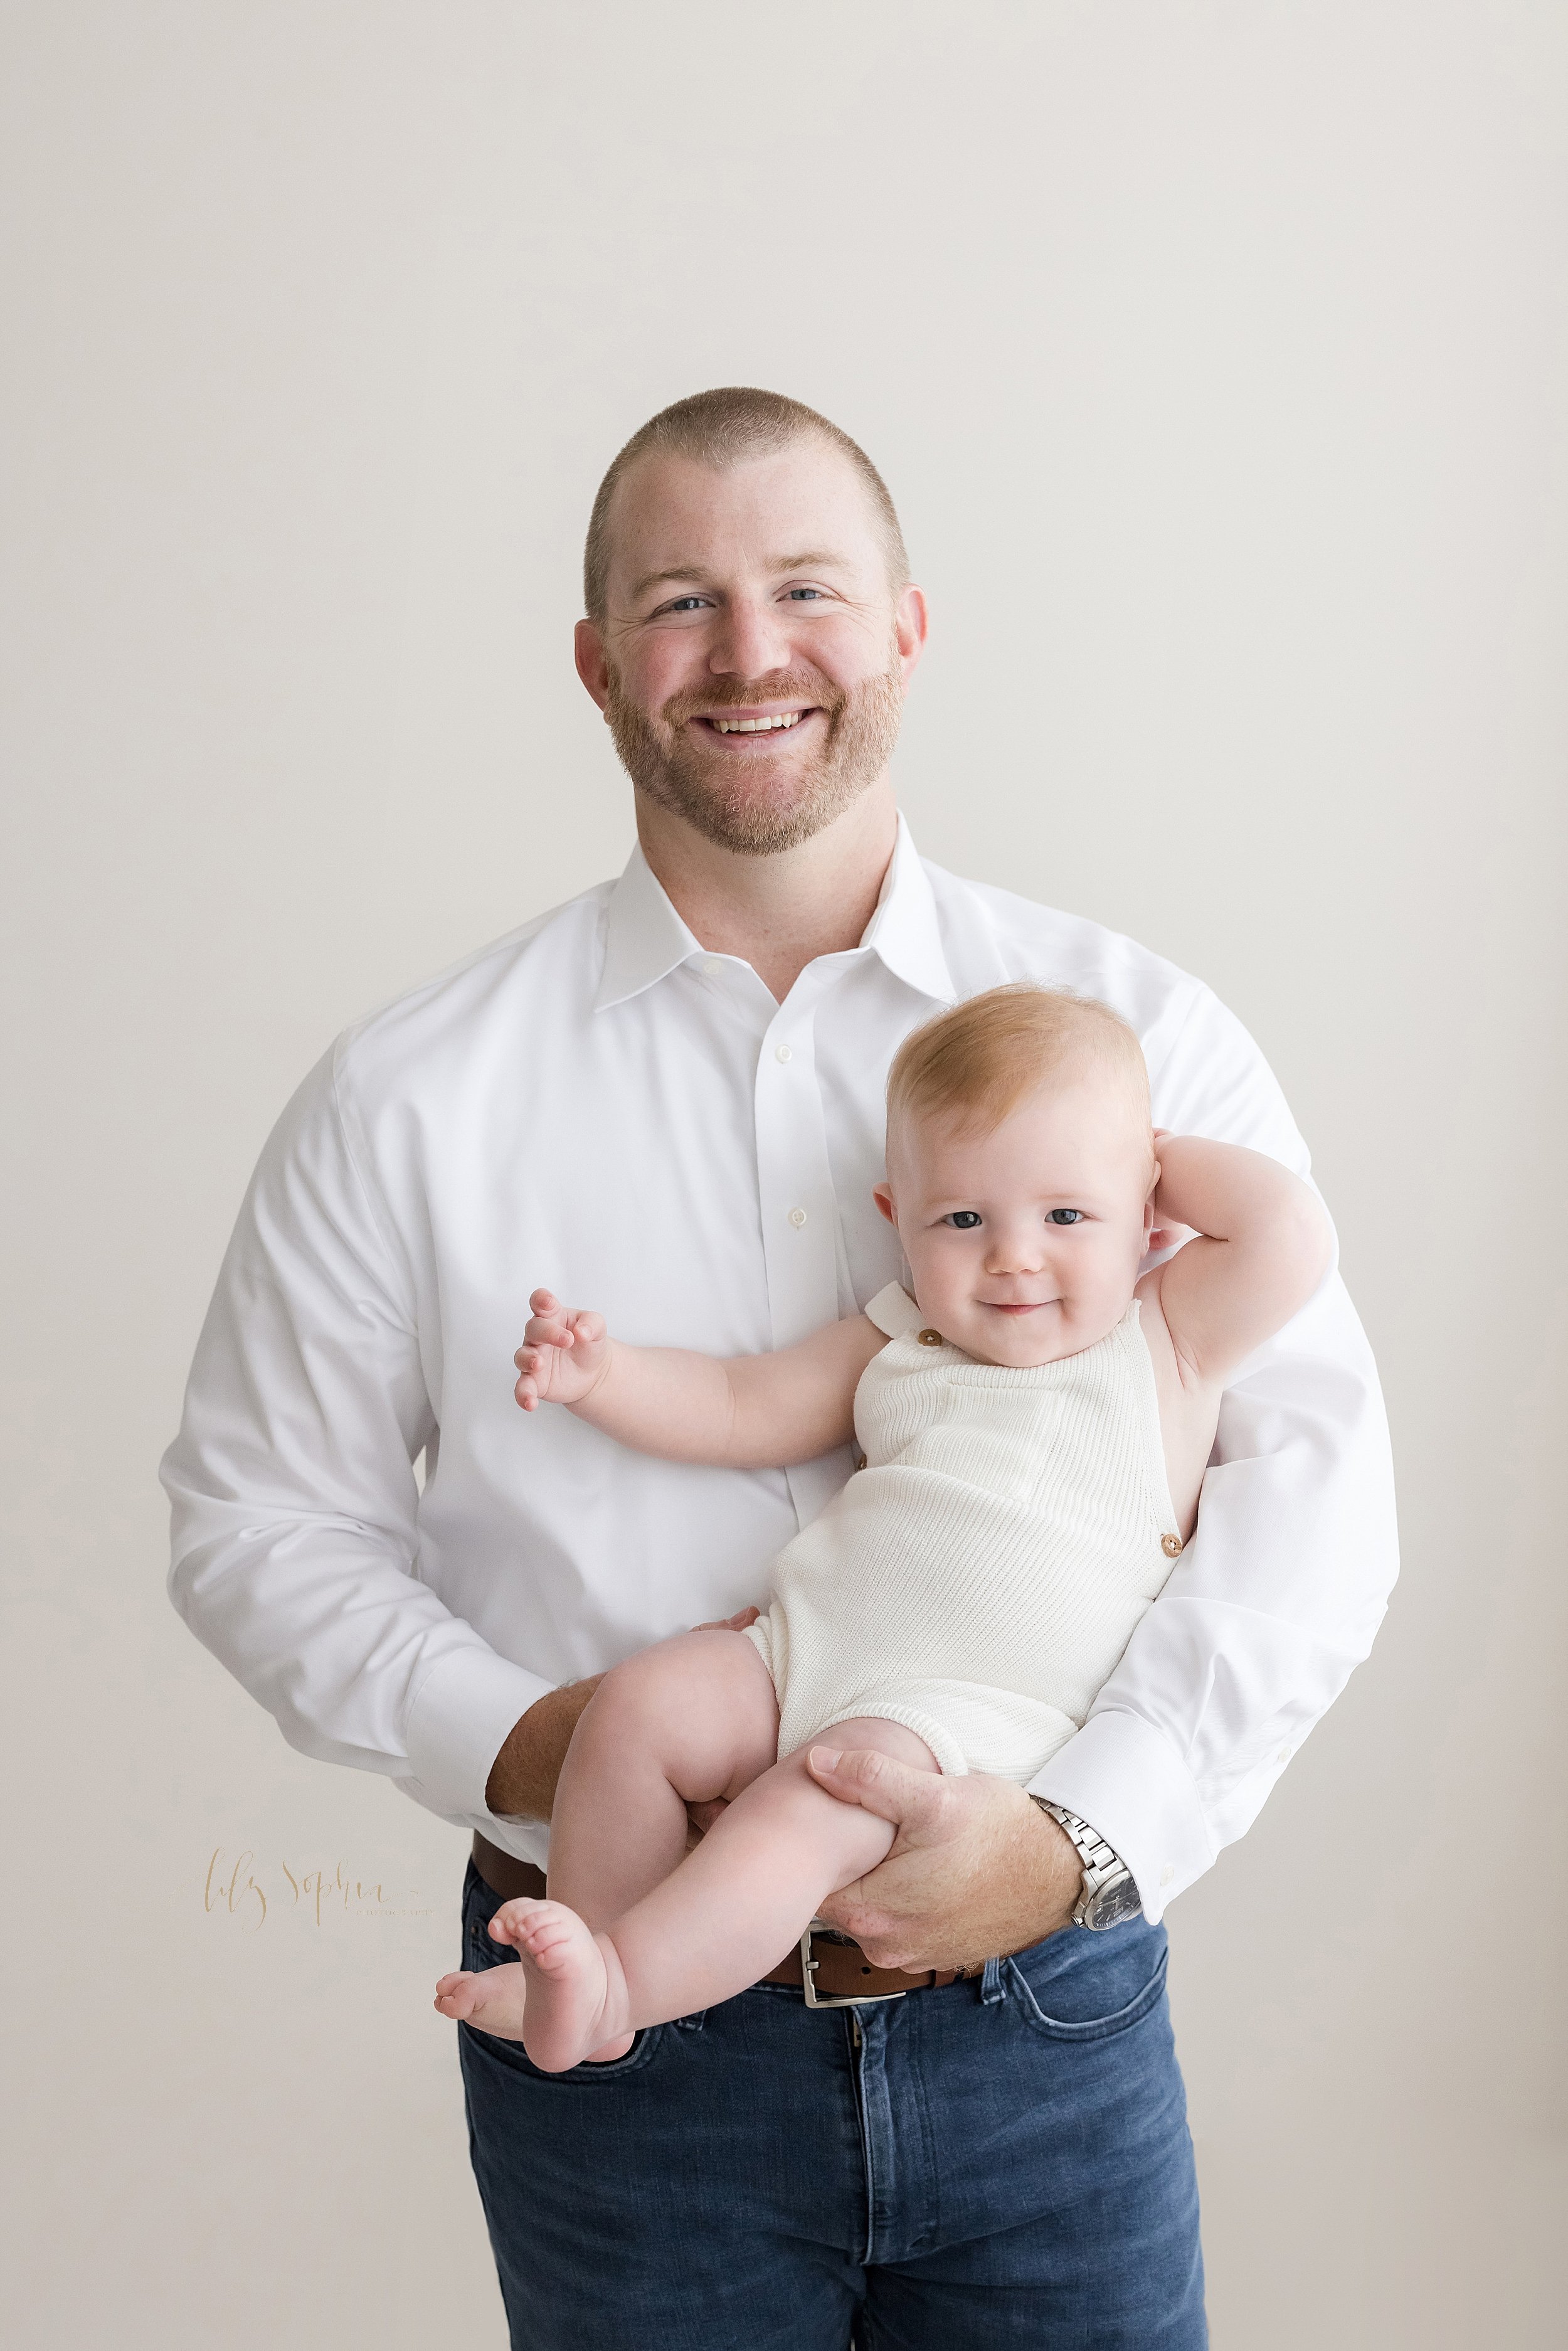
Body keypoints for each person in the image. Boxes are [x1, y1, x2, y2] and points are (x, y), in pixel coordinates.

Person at [162, 386, 1397, 2349]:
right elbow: (255, 1524)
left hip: (1041, 2000)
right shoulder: (409, 1095)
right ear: (594, 664)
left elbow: (1312, 1508)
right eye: (679, 601)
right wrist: (545, 1746)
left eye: (807, 587)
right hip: (619, 2026)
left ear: (907, 625)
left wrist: (1077, 1846)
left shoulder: (1139, 1046)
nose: (749, 653)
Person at [432, 985, 1335, 2074]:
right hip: (803, 1646)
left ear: (1148, 1214)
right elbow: (737, 1405)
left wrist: (1149, 1157)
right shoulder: (901, 1335)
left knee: (810, 1805)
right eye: (963, 1219)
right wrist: (607, 1375)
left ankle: (624, 1984)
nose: (1013, 1257)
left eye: (1065, 1216)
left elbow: (1289, 1232)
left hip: (955, 1714)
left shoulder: (1165, 1340)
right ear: (895, 1213)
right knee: (636, 1708)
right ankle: (579, 1965)